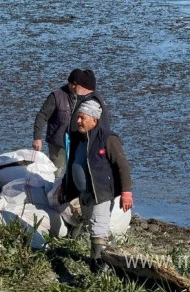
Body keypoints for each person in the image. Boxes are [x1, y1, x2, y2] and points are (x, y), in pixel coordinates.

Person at [60, 99, 133, 266]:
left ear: (94, 120)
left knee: (97, 230)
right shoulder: (78, 139)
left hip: (102, 193)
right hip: (85, 194)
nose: (78, 121)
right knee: (95, 225)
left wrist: (126, 192)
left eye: (82, 118)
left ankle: (97, 267)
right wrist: (65, 186)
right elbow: (71, 163)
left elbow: (122, 164)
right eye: (77, 117)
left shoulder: (107, 138)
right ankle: (115, 257)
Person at [32, 69, 86, 176]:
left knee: (76, 173)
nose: (74, 87)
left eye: (77, 85)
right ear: (69, 82)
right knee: (56, 173)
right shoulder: (56, 96)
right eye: (72, 84)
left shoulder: (85, 98)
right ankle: (52, 191)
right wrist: (37, 138)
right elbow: (42, 116)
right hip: (58, 144)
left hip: (77, 143)